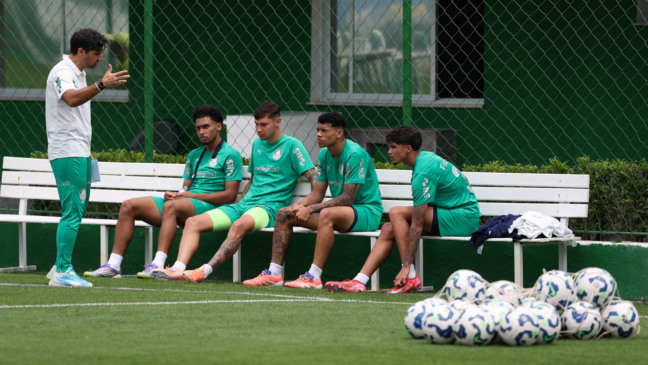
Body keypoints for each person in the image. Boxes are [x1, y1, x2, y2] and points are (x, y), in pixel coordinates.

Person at [150, 101, 316, 282]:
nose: (259, 129)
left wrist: (307, 206)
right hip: (244, 206)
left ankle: (203, 271)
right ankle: (177, 269)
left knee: (238, 225)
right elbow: (253, 179)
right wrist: (241, 203)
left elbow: (313, 177)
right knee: (192, 222)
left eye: (264, 125)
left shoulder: (293, 145)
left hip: (269, 208)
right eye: (256, 125)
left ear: (278, 122)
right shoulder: (257, 145)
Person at [83, 105, 242, 279]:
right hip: (184, 205)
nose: (201, 132)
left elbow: (229, 195)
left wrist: (188, 197)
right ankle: (113, 265)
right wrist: (176, 195)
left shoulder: (230, 155)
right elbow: (186, 188)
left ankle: (157, 264)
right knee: (129, 205)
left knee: (171, 207)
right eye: (198, 128)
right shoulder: (194, 155)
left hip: (210, 208)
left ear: (218, 126)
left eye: (206, 127)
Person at [324, 125, 481, 294]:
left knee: (396, 212)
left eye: (393, 147)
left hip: (463, 218)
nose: (389, 151)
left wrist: (406, 266)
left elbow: (418, 223)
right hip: (450, 214)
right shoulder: (424, 160)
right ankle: (359, 281)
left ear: (407, 148)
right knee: (388, 228)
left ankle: (410, 276)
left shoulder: (423, 170)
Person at [243, 112, 383, 289]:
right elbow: (317, 193)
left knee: (327, 214)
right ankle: (274, 274)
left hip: (366, 212)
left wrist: (311, 209)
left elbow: (347, 198)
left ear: (339, 133)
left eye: (324, 131)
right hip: (341, 214)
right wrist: (298, 206)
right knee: (284, 214)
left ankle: (313, 277)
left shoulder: (355, 154)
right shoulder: (324, 154)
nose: (318, 134)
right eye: (317, 130)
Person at [45, 28, 129, 287]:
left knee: (76, 209)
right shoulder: (63, 72)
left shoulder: (79, 74)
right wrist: (102, 84)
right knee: (72, 211)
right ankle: (62, 271)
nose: (100, 59)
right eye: (96, 54)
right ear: (80, 51)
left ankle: (58, 265)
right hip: (67, 151)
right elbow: (70, 99)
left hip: (80, 151)